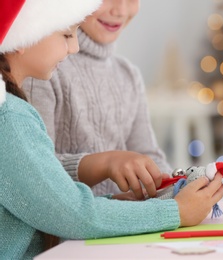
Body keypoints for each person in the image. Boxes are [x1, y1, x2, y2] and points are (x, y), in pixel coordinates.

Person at [0, 0, 223, 258]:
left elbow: (55, 199)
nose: (74, 47)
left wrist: (173, 191)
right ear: (23, 35)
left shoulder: (126, 75)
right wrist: (175, 212)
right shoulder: (14, 112)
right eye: (66, 34)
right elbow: (69, 210)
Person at [22, 0, 172, 199]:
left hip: (126, 224)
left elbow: (148, 155)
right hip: (72, 225)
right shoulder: (42, 70)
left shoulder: (128, 75)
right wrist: (104, 164)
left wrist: (178, 186)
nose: (120, 10)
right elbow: (33, 173)